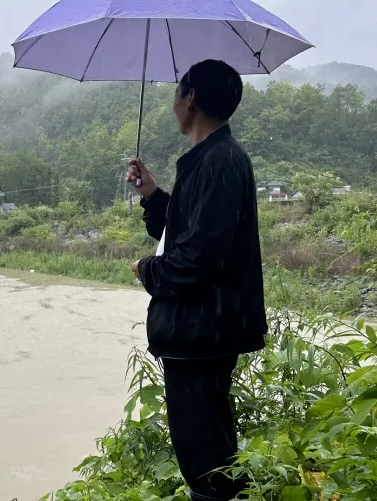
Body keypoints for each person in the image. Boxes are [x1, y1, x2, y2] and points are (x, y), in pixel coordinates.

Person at [126, 59, 267, 501]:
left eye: (176, 92)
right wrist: (153, 195)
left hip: (201, 329)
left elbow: (198, 259)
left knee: (204, 456)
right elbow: (187, 230)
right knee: (209, 447)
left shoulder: (220, 162)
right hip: (203, 329)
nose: (172, 103)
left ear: (190, 99)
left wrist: (146, 269)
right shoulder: (210, 159)